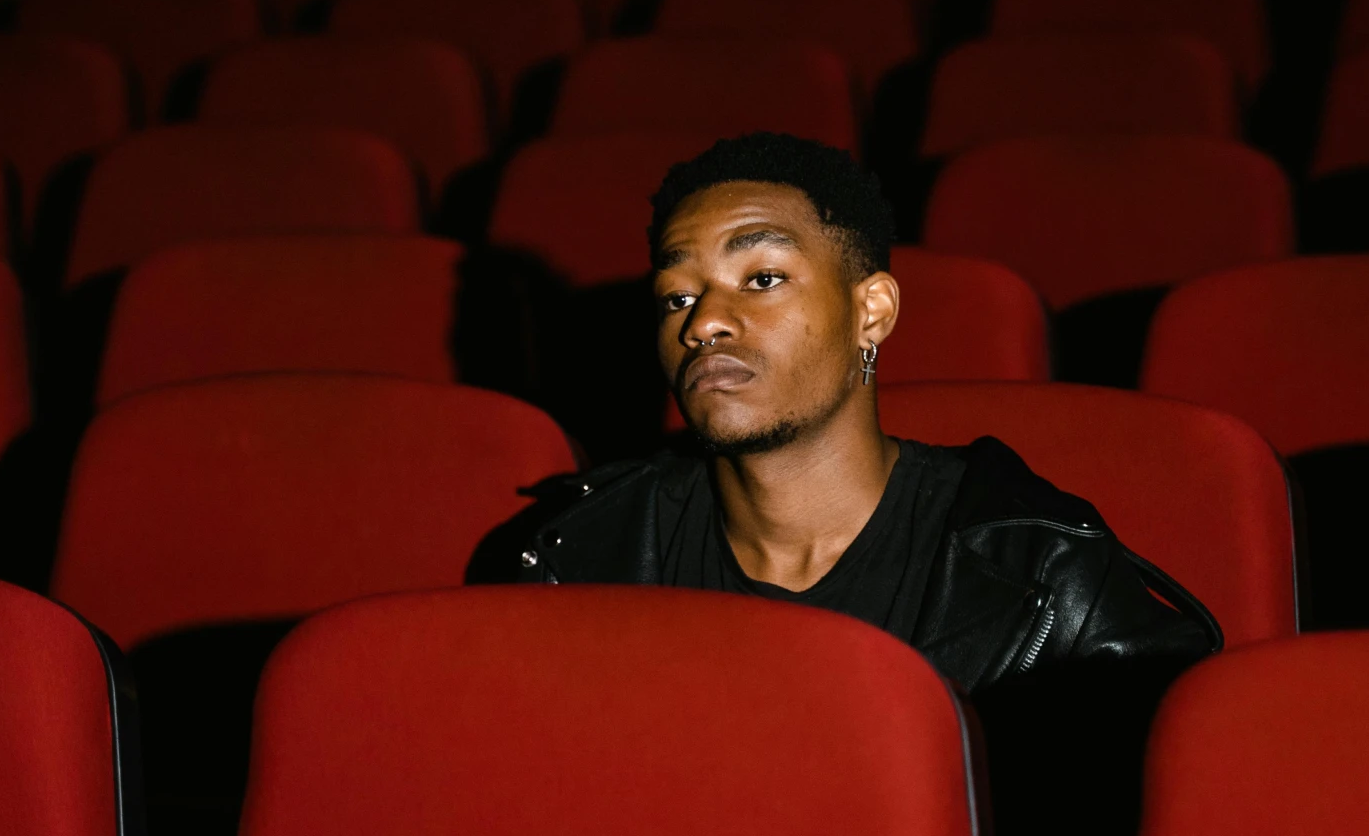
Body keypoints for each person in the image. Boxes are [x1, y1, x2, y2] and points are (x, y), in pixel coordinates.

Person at [471, 131, 1220, 691]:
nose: (702, 323)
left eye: (761, 277)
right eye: (677, 296)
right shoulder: (577, 558)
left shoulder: (1043, 573)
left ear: (873, 311)